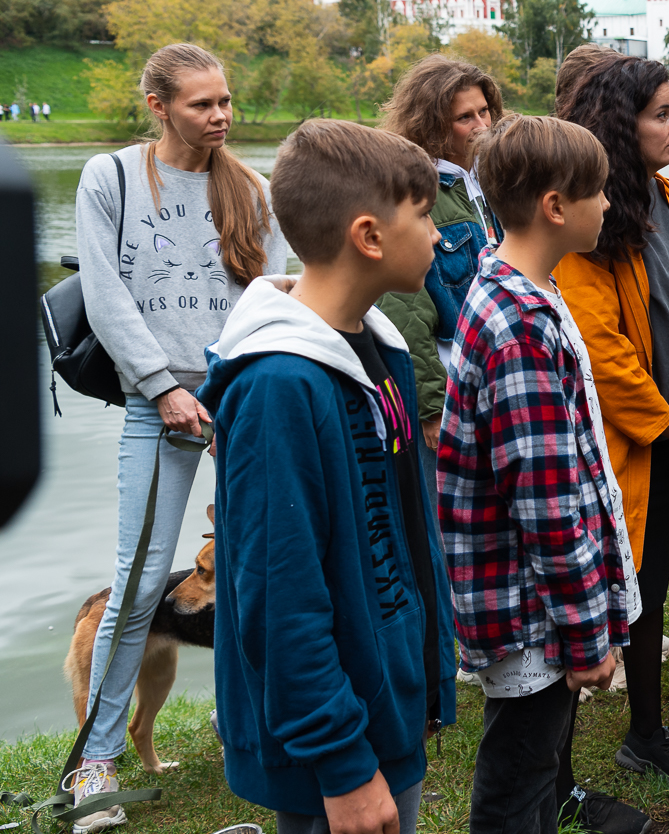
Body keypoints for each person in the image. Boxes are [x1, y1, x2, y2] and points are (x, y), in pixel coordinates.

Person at [200, 119, 456, 834]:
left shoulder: (379, 349)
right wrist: (341, 760)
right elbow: (280, 596)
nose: (438, 235)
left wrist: (419, 680)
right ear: (369, 237)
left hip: (385, 703)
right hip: (334, 753)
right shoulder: (280, 387)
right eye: (424, 215)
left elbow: (400, 539)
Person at [67, 42, 288, 834]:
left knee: (266, 572)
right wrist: (162, 386)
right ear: (159, 106)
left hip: (240, 400)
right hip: (153, 404)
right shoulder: (113, 178)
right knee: (139, 582)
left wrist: (239, 390)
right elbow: (104, 291)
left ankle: (255, 728)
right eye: (202, 104)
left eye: (225, 100)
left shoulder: (252, 189)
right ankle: (96, 759)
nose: (221, 115)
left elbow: (274, 294)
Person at [441, 114, 650, 834]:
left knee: (531, 778)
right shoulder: (520, 326)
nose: (609, 204)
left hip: (533, 606)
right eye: (599, 192)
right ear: (556, 206)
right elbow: (546, 501)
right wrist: (588, 635)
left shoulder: (518, 288)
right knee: (516, 784)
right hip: (530, 612)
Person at [554, 55, 669, 787]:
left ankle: (646, 733)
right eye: (662, 114)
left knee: (649, 585)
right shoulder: (588, 222)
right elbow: (603, 354)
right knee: (605, 591)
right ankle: (554, 777)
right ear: (618, 127)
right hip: (624, 449)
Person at [375, 55, 504, 505]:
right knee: (445, 520)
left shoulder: (496, 182)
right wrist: (431, 407)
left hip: (496, 379)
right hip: (449, 391)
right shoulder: (414, 192)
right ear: (431, 125)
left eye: (485, 111)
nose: (481, 126)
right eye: (465, 117)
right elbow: (404, 309)